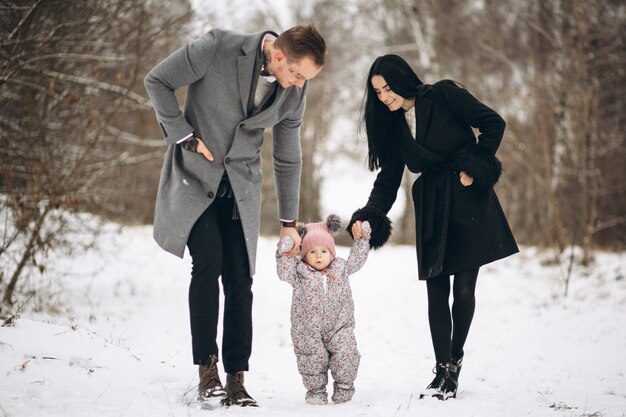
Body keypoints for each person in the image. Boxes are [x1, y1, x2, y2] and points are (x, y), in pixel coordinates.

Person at [143, 25, 326, 407]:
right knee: (208, 263)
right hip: (195, 180)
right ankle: (207, 371)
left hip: (240, 191)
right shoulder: (217, 47)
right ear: (278, 56)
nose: (296, 85)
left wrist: (289, 221)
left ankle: (236, 379)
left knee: (241, 280)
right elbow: (157, 80)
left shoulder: (294, 89)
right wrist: (181, 134)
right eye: (296, 74)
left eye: (304, 79)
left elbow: (287, 153)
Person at [348, 54, 519, 400]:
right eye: (377, 92)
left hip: (466, 197)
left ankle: (455, 362)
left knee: (465, 291)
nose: (383, 97)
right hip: (430, 204)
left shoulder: (443, 95)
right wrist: (369, 214)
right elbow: (389, 179)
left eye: (385, 89)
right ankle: (441, 370)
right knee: (436, 292)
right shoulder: (394, 125)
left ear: (400, 79)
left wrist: (475, 163)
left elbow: (493, 123)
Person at [276, 215, 371, 405]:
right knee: (312, 358)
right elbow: (284, 270)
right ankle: (316, 391)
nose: (318, 256)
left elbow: (357, 259)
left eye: (323, 251)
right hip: (307, 330)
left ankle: (344, 386)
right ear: (304, 254)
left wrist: (362, 239)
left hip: (339, 326)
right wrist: (285, 250)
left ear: (332, 252)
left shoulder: (341, 268)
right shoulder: (299, 273)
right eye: (312, 251)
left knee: (346, 353)